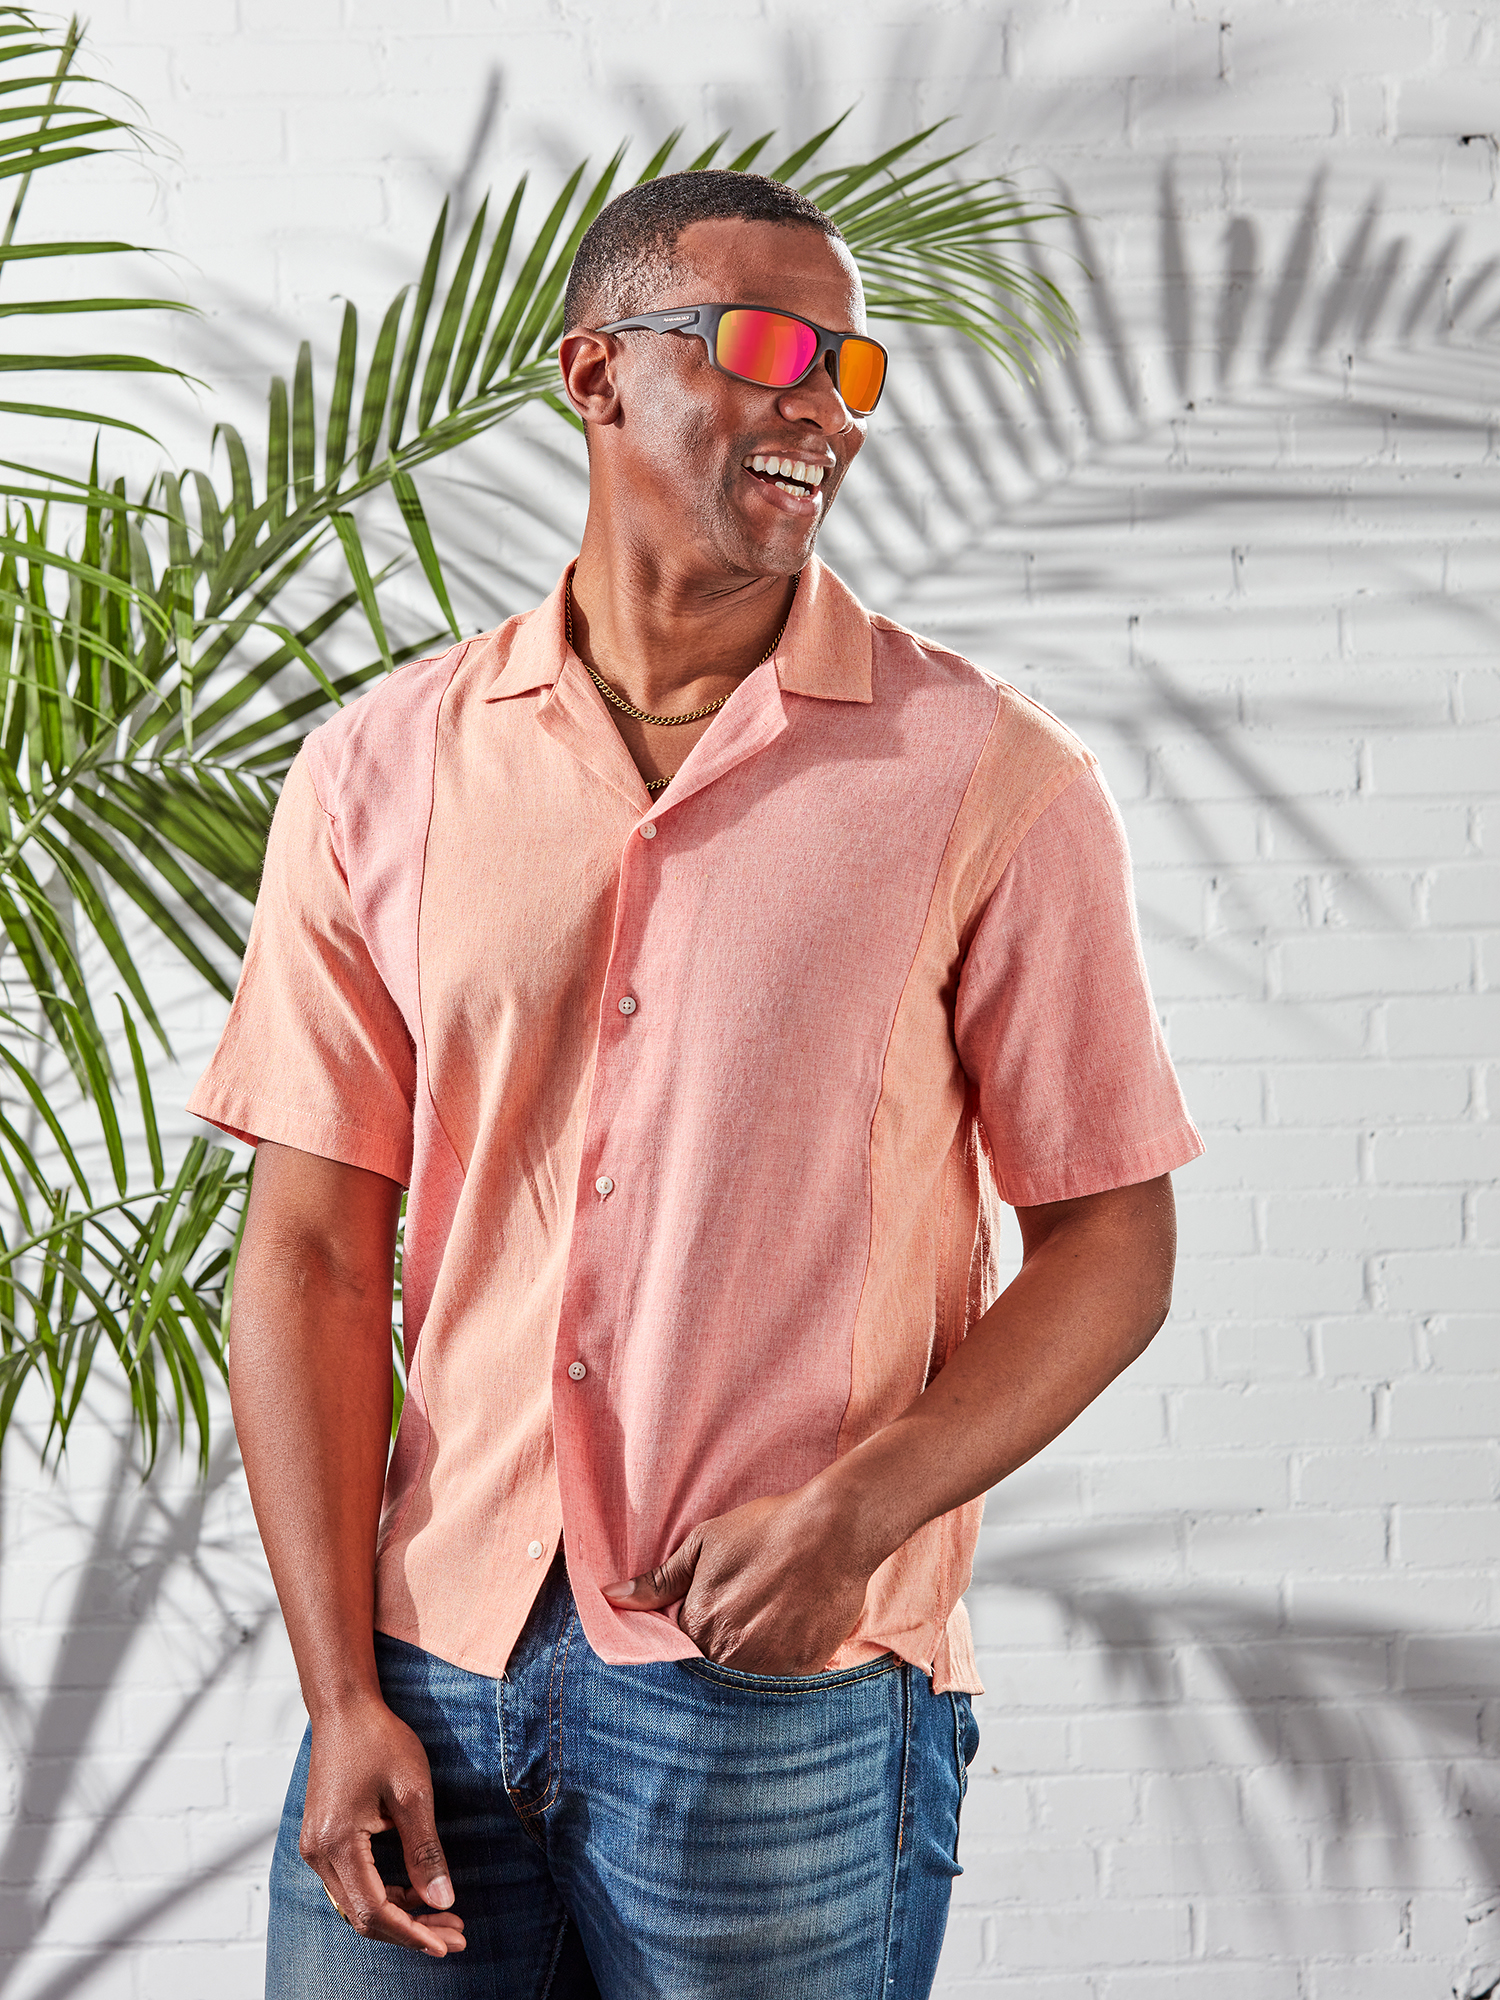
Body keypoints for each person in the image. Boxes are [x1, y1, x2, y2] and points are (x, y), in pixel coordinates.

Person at [190, 169, 1203, 2000]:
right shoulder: (381, 771)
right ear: (596, 371)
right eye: (766, 349)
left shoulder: (990, 779)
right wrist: (340, 1689)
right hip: (426, 1666)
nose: (825, 406)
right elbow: (314, 1253)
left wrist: (856, 1517)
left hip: (784, 1687)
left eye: (852, 369)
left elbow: (1112, 1243)